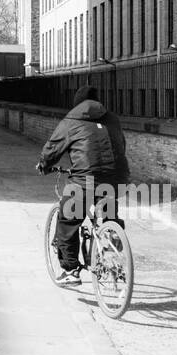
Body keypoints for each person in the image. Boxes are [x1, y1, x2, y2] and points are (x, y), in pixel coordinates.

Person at [36, 85, 129, 285]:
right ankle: (117, 260)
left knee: (68, 220)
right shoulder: (112, 119)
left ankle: (70, 270)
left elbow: (53, 148)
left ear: (77, 103)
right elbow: (122, 144)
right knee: (110, 217)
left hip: (85, 180)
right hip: (117, 177)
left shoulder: (71, 121)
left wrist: (44, 164)